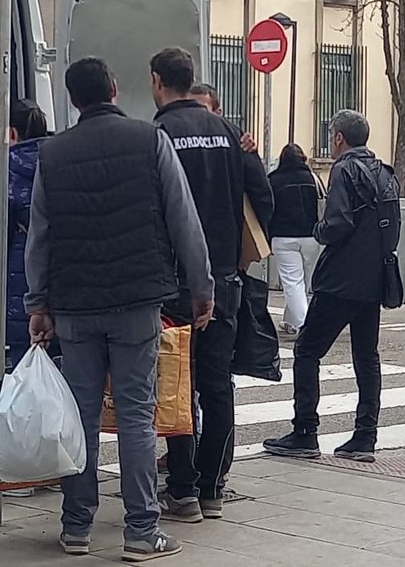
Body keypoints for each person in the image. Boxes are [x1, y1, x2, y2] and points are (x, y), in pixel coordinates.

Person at [25, 57, 213, 562]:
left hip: (76, 307)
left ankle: (76, 527)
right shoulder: (148, 140)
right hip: (136, 303)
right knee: (135, 417)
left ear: (73, 99)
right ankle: (140, 531)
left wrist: (38, 303)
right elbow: (183, 218)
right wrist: (202, 287)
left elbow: (40, 236)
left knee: (81, 417)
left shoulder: (53, 153)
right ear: (113, 87)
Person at [150, 48, 273, 524]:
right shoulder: (228, 134)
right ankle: (213, 488)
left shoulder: (158, 134)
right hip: (225, 280)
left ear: (158, 81)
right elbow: (263, 200)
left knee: (176, 386)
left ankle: (180, 489)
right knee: (218, 385)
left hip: (174, 284)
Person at [263, 110, 398, 464]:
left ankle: (305, 431)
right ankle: (365, 435)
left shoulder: (344, 169)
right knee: (366, 357)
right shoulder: (384, 172)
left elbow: (338, 222)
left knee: (307, 350)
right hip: (374, 279)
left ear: (339, 138)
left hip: (340, 279)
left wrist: (319, 231)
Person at [0, 98, 53, 370]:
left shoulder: (7, 170)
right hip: (67, 281)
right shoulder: (62, 158)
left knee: (26, 363)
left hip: (24, 284)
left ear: (11, 133)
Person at [267, 143, 323, 335]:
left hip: (283, 237)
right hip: (311, 236)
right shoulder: (313, 179)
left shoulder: (273, 180)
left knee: (293, 282)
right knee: (303, 283)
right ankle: (290, 321)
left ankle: (304, 326)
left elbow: (266, 209)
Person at [189, 82, 257, 154]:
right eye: (189, 108)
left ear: (217, 113)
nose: (194, 113)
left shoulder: (235, 138)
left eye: (201, 110)